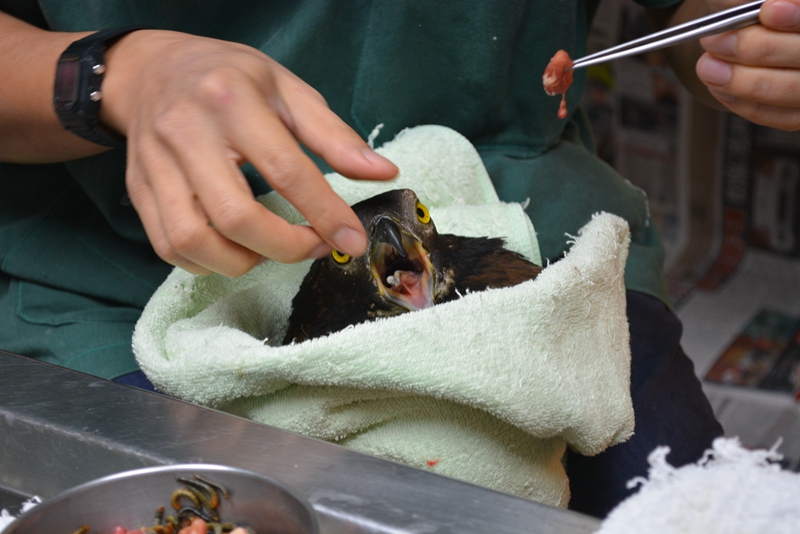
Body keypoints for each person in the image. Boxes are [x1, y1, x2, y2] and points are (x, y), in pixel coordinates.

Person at [2, 0, 792, 518]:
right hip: (120, 282)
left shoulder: (539, 264)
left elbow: (703, 17)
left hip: (528, 224)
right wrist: (114, 77)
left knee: (708, 509)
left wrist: (752, 40)